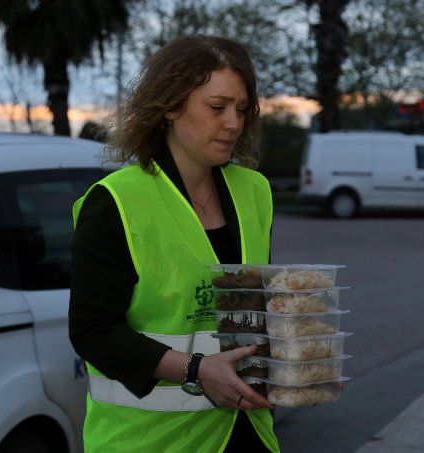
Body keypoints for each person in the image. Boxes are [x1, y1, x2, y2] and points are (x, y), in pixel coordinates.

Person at [68, 35, 280, 452]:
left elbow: (251, 310)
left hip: (248, 432)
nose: (233, 123)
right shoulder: (116, 201)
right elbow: (93, 331)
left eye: (242, 109)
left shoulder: (254, 191)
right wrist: (197, 370)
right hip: (149, 442)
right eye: (217, 108)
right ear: (170, 106)